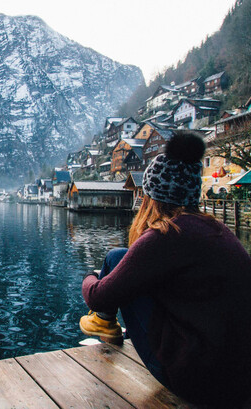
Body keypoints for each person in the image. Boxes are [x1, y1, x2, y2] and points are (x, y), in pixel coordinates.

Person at [79, 130, 251, 407]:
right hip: (241, 379)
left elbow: (97, 294)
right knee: (120, 257)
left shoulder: (165, 236)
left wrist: (90, 277)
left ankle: (103, 322)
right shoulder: (216, 229)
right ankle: (105, 321)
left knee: (115, 264)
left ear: (151, 196)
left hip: (199, 381)